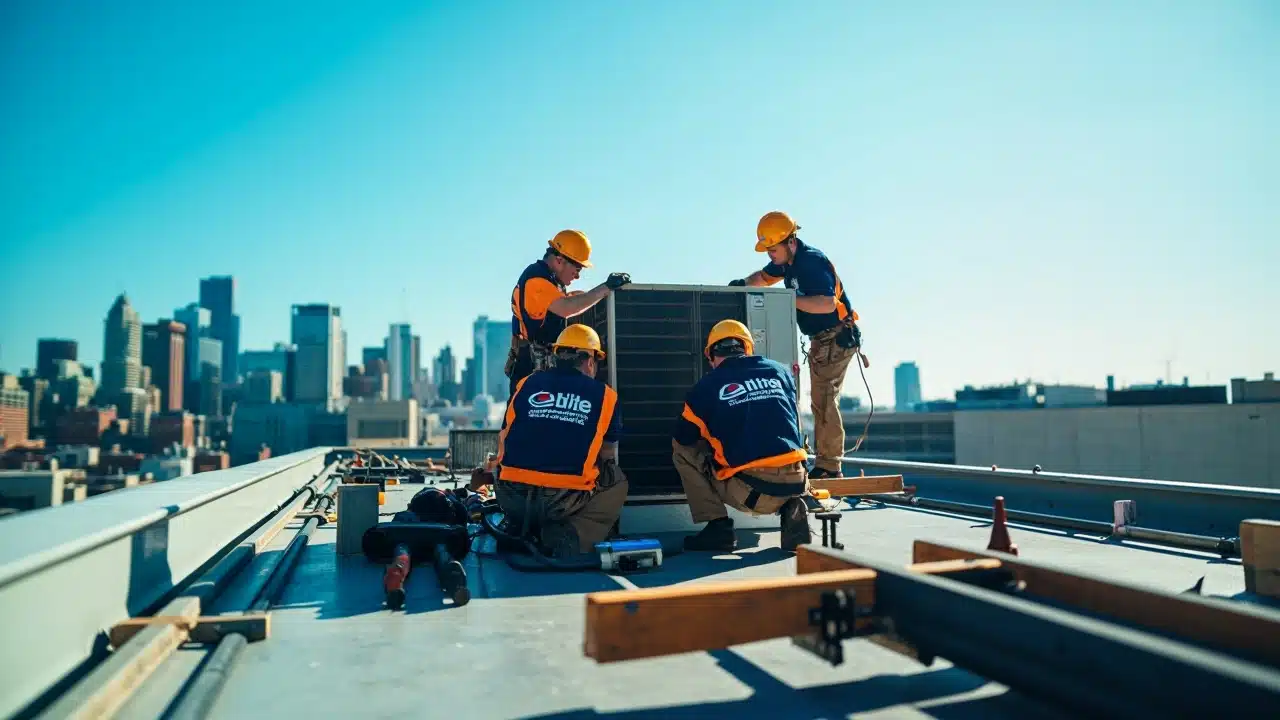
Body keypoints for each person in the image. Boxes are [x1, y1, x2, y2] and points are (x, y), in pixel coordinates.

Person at [728, 211, 862, 479]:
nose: (770, 255)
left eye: (773, 249)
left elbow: (825, 303)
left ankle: (830, 467)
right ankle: (826, 464)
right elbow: (763, 278)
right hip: (822, 339)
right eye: (767, 250)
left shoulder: (811, 261)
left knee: (824, 400)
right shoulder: (786, 262)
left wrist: (787, 298)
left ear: (790, 242)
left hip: (835, 336)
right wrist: (742, 286)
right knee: (819, 400)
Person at [672, 319, 813, 552]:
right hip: (798, 480)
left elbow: (684, 438)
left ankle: (718, 527)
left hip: (752, 492)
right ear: (747, 348)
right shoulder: (781, 372)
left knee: (683, 452)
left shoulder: (705, 387)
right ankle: (792, 506)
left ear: (711, 356)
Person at [494, 324, 628, 558]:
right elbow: (607, 454)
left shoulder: (526, 384)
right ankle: (572, 535)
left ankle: (517, 525)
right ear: (589, 361)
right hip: (562, 501)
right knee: (615, 481)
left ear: (557, 357)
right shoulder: (605, 395)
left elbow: (506, 433)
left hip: (511, 495)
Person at [508, 229, 631, 397]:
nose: (578, 276)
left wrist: (597, 293)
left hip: (539, 373)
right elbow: (566, 307)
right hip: (530, 374)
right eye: (577, 269)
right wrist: (605, 288)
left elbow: (567, 299)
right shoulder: (536, 281)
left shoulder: (548, 281)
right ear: (559, 261)